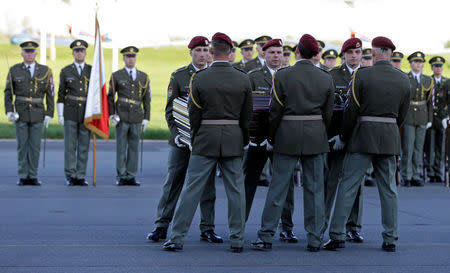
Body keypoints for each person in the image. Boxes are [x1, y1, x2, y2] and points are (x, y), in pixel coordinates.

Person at [162, 32, 252, 253]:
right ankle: (237, 239)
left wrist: (196, 137)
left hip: (205, 137)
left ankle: (177, 237)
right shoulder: (243, 78)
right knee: (236, 191)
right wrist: (243, 138)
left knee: (191, 189)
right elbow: (247, 114)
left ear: (211, 52)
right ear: (231, 52)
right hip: (232, 137)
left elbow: (193, 114)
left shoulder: (199, 78)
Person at [324, 37, 410, 253]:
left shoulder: (362, 75)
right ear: (390, 53)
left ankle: (337, 235)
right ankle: (390, 237)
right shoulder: (402, 78)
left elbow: (351, 110)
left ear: (373, 52)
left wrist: (344, 135)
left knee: (348, 185)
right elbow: (402, 114)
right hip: (389, 136)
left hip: (362, 136)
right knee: (389, 189)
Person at [252, 34, 333, 252]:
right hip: (315, 134)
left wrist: (271, 136)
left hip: (287, 134)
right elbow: (328, 113)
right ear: (316, 54)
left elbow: (275, 111)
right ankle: (315, 238)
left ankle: (266, 235)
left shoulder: (283, 75)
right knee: (315, 190)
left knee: (278, 188)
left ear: (297, 52)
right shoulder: (326, 77)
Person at [147, 36, 222, 244]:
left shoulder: (215, 75)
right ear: (190, 52)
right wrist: (178, 134)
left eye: (206, 50)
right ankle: (161, 225)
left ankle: (207, 228)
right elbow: (171, 109)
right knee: (174, 181)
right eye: (198, 50)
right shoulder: (180, 76)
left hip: (205, 140)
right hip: (181, 139)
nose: (202, 54)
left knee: (208, 185)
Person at [245, 39, 298, 243]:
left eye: (279, 52)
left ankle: (287, 227)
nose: (276, 56)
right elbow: (246, 108)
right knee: (249, 181)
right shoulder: (253, 77)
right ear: (264, 54)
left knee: (286, 185)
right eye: (272, 52)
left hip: (282, 138)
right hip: (258, 138)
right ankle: (239, 224)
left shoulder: (291, 76)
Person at [325, 38, 365, 243]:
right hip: (335, 136)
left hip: (359, 136)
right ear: (343, 55)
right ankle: (323, 224)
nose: (354, 56)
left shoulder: (367, 75)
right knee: (331, 181)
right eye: (349, 52)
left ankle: (353, 226)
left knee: (355, 184)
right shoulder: (332, 75)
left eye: (357, 52)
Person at [4, 41, 54, 186]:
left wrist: (49, 113)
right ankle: (22, 175)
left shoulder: (45, 70)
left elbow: (50, 93)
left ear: (36, 53)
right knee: (22, 145)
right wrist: (9, 111)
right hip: (20, 112)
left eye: (32, 52)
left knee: (35, 146)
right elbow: (8, 93)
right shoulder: (14, 70)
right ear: (22, 53)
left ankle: (33, 175)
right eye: (27, 52)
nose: (29, 54)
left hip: (38, 112)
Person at [107, 46, 151, 186]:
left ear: (135, 58)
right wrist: (112, 114)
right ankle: (121, 175)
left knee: (133, 147)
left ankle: (131, 175)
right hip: (122, 115)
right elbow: (110, 97)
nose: (131, 59)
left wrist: (146, 117)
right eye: (128, 56)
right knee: (121, 147)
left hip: (137, 115)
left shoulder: (143, 76)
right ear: (124, 58)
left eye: (133, 56)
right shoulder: (116, 76)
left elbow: (146, 98)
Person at [57, 39, 91, 186]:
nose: (79, 53)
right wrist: (60, 114)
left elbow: (97, 94)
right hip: (70, 111)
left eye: (82, 50)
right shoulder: (66, 71)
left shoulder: (92, 70)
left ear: (85, 52)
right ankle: (71, 175)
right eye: (77, 51)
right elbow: (60, 94)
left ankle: (81, 175)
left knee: (84, 145)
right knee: (70, 146)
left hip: (87, 112)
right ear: (73, 53)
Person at [401, 51, 433, 187]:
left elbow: (430, 101)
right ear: (411, 63)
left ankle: (416, 174)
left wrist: (429, 118)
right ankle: (406, 175)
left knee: (419, 148)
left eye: (421, 62)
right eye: (416, 62)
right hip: (408, 115)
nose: (419, 65)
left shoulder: (427, 80)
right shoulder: (405, 78)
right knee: (408, 147)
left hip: (422, 115)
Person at [424, 56, 448, 183]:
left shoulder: (447, 82)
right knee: (430, 147)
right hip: (431, 118)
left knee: (441, 147)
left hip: (442, 118)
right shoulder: (429, 81)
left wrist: (447, 116)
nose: (438, 68)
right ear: (432, 67)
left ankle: (439, 172)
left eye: (440, 66)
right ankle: (431, 172)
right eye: (436, 66)